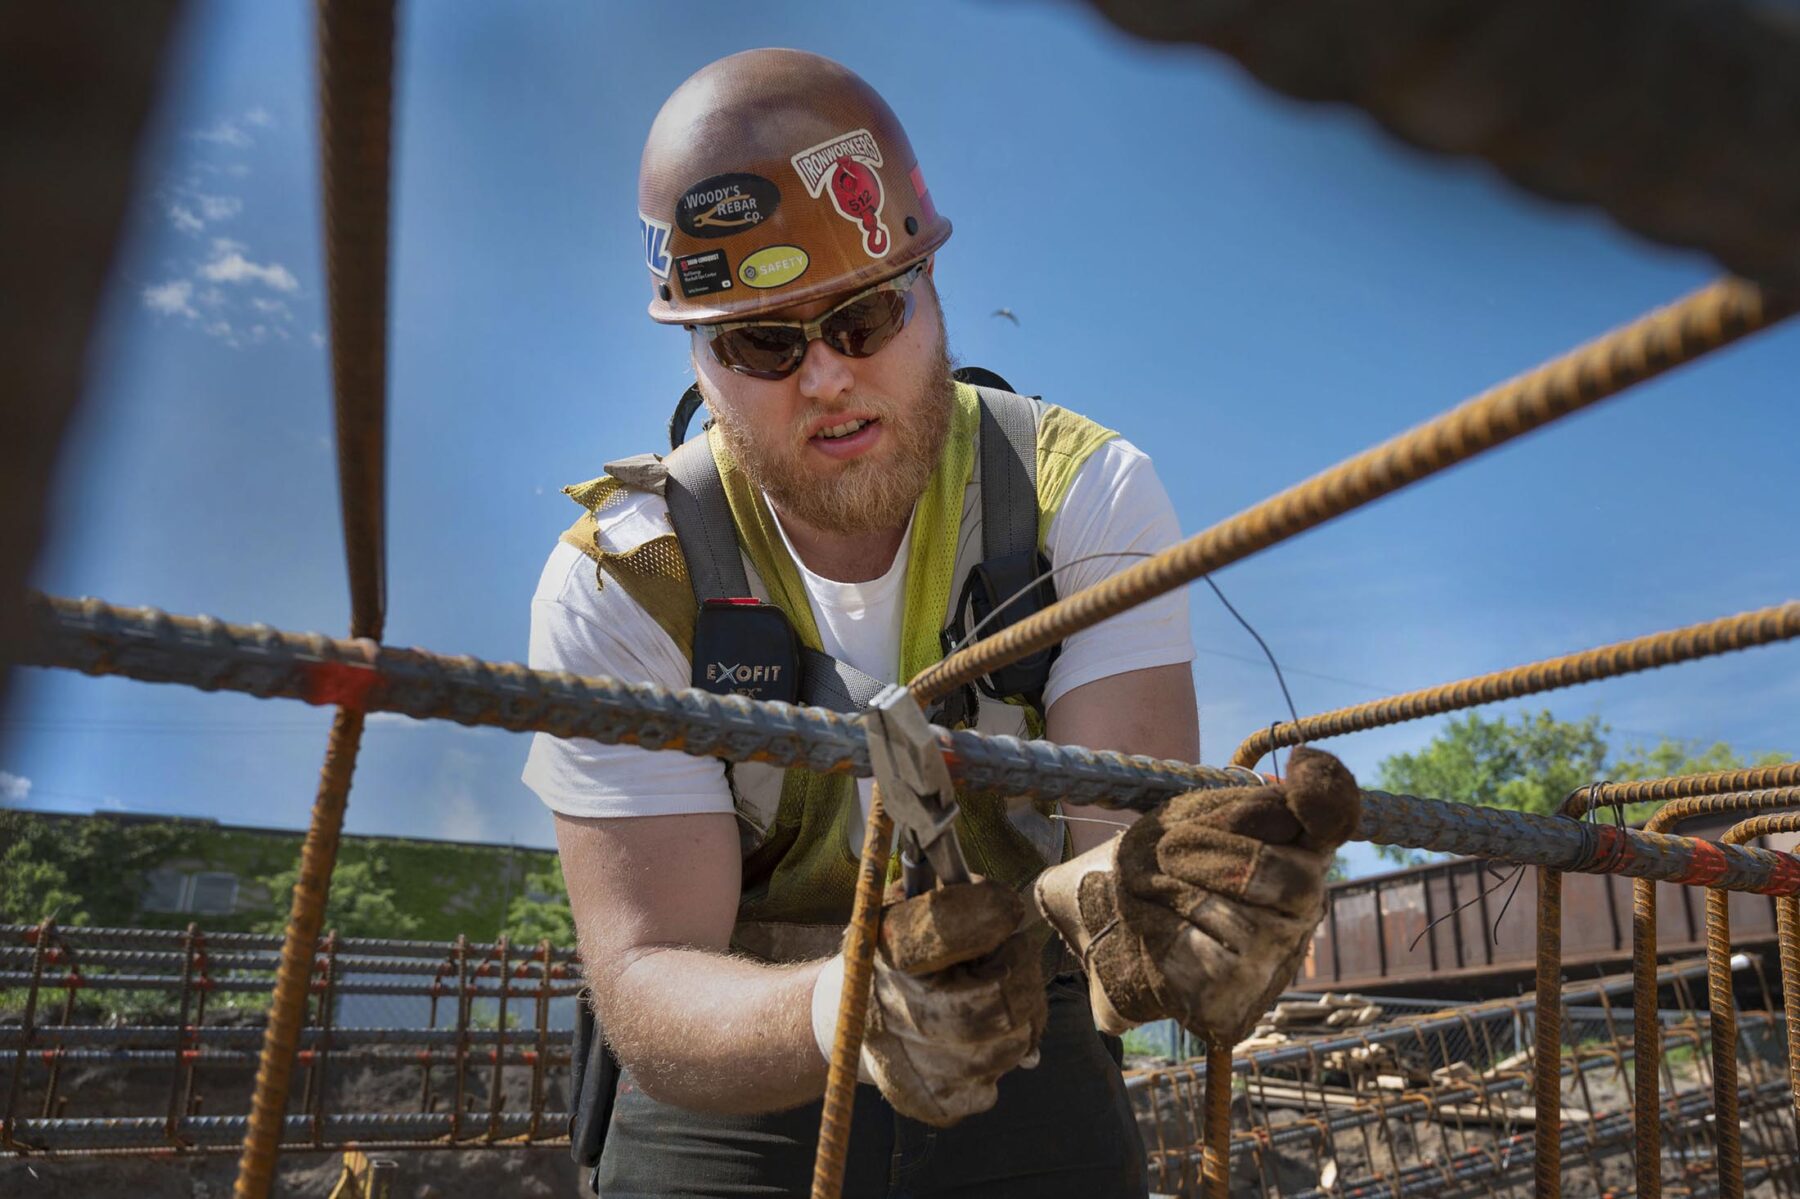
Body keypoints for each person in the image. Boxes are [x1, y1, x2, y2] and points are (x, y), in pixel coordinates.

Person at [523, 48, 1358, 1198]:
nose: (824, 376)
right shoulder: (628, 574)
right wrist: (847, 1005)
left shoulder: (1082, 498)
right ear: (700, 357)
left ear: (931, 290)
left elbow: (1107, 852)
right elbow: (648, 973)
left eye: (864, 315)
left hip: (1024, 1019)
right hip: (740, 1060)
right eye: (764, 341)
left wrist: (1161, 908)